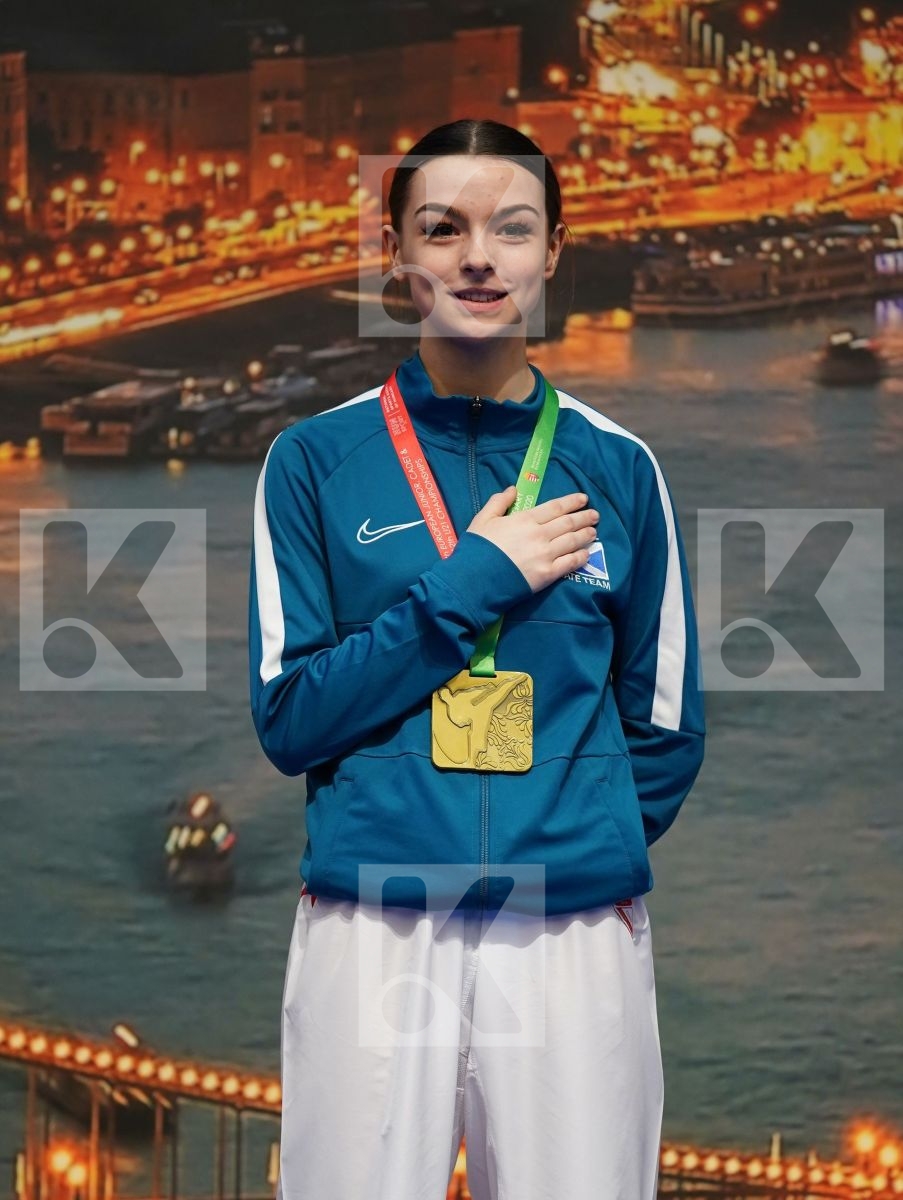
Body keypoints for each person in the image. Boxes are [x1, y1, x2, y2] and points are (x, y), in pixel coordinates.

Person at [248, 118, 706, 1200]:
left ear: (553, 251)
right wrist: (475, 582)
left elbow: (668, 725)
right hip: (374, 918)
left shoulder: (619, 469)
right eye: (440, 228)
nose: (477, 256)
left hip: (572, 928)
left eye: (511, 227)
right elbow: (291, 717)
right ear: (396, 257)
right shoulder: (313, 462)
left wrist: (572, 832)